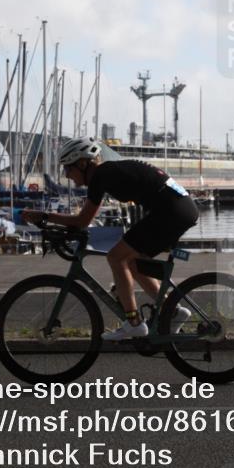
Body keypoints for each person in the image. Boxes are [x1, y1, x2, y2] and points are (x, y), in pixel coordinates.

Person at [21, 136, 198, 340]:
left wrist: (43, 216)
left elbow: (82, 221)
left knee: (116, 257)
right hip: (178, 209)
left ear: (83, 163)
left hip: (171, 211)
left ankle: (133, 323)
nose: (66, 175)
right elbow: (82, 220)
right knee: (132, 263)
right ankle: (172, 312)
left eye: (68, 168)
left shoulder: (101, 175)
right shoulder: (107, 172)